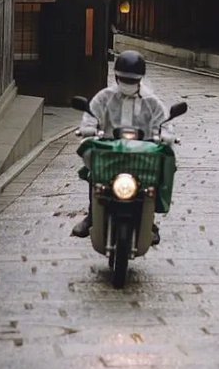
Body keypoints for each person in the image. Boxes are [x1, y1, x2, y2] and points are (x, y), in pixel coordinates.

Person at [71, 50, 168, 239]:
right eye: (124, 79)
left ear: (140, 79)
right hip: (110, 150)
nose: (128, 83)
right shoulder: (104, 97)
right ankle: (92, 216)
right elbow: (91, 115)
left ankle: (149, 220)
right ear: (116, 77)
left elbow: (163, 121)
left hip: (141, 152)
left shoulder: (151, 101)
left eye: (132, 80)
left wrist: (165, 134)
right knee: (95, 173)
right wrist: (88, 128)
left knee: (158, 170)